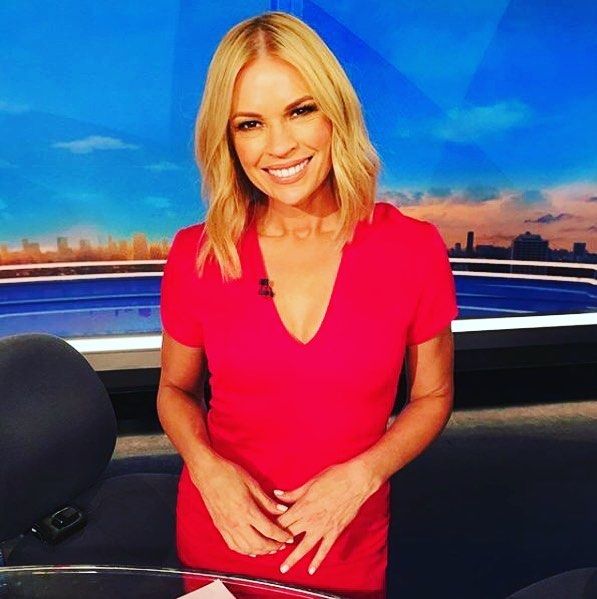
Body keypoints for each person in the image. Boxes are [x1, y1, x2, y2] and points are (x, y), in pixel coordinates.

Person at [158, 11, 458, 599]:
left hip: (342, 540)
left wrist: (365, 474)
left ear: (334, 113)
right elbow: (174, 390)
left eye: (300, 111)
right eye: (250, 123)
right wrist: (207, 470)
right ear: (228, 139)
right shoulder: (198, 252)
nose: (279, 145)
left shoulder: (412, 248)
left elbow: (433, 396)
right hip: (223, 532)